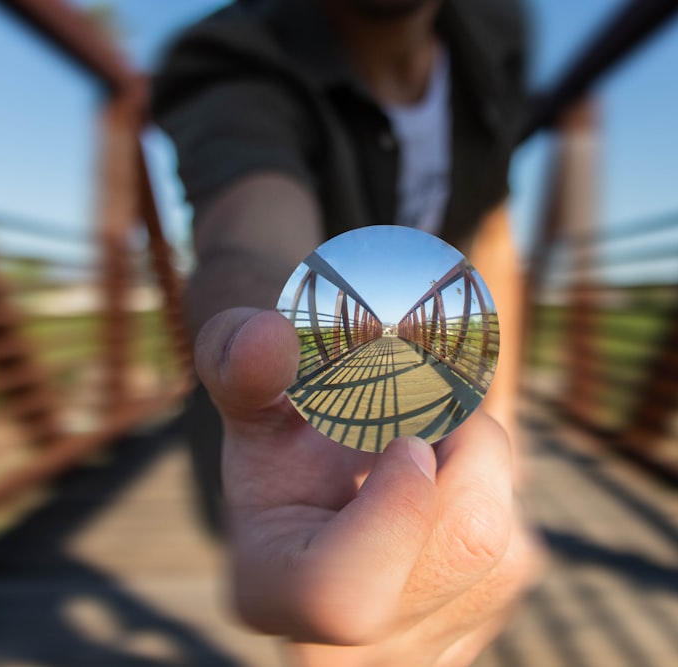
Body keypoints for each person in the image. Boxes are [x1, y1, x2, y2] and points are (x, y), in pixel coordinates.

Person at [152, 0, 542, 664]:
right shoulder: (235, 54)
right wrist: (264, 343)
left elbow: (491, 227)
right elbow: (251, 239)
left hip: (429, 374)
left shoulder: (497, 36)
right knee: (331, 619)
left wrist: (498, 413)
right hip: (297, 419)